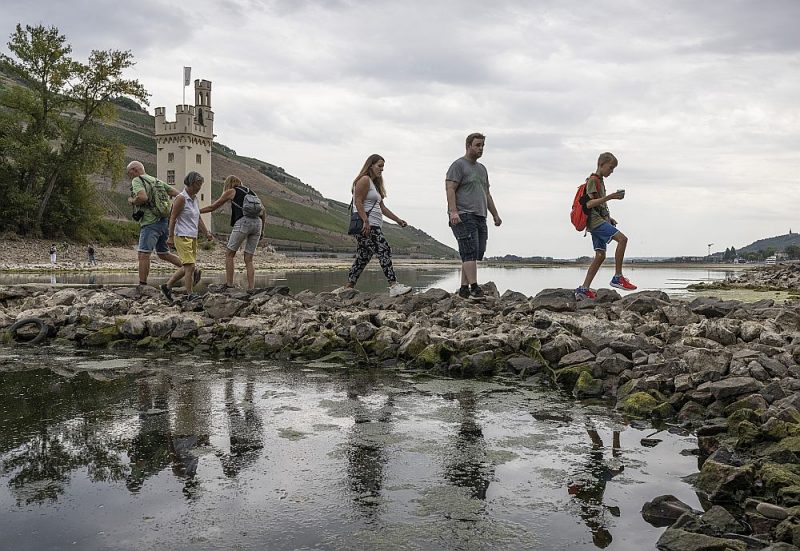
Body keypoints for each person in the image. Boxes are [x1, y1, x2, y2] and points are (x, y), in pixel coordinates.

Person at [345, 154, 412, 297]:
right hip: (368, 226)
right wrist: (366, 221)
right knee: (384, 250)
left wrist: (398, 220)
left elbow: (382, 207)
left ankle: (349, 286)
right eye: (379, 166)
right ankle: (394, 286)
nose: (382, 169)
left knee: (363, 256)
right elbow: (358, 201)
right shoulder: (364, 180)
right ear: (371, 165)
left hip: (373, 225)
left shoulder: (374, 184)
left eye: (383, 166)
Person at [445, 133, 502, 300]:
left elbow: (487, 193)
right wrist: (453, 211)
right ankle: (475, 288)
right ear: (468, 145)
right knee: (468, 251)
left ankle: (464, 288)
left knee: (476, 252)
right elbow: (450, 189)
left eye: (483, 145)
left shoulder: (482, 169)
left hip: (480, 215)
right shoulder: (458, 165)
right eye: (477, 145)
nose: (481, 149)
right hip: (463, 214)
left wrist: (495, 214)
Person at [575, 152, 637, 300]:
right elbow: (589, 203)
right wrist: (611, 197)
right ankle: (618, 277)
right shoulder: (593, 180)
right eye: (610, 168)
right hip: (595, 222)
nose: (612, 171)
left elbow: (598, 205)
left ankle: (584, 288)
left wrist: (608, 218)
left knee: (600, 255)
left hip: (597, 221)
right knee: (622, 240)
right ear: (601, 165)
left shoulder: (600, 181)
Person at [127, 161, 194, 287]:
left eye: (129, 172)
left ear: (135, 170)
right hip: (164, 221)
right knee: (163, 253)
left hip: (150, 222)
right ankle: (190, 268)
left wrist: (132, 201)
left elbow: (142, 197)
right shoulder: (156, 181)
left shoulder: (137, 180)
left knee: (143, 254)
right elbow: (178, 194)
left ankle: (142, 285)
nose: (128, 175)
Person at [199, 175, 265, 291]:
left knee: (229, 254)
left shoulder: (231, 191)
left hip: (243, 222)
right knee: (249, 259)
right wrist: (262, 229)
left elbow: (213, 207)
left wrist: (197, 211)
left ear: (228, 184)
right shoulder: (252, 193)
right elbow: (263, 211)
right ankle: (251, 288)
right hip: (257, 223)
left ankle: (229, 284)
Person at [161, 172, 213, 302]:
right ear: (190, 183)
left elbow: (198, 218)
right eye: (197, 184)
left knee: (189, 266)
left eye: (200, 184)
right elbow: (172, 218)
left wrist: (206, 232)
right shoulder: (181, 198)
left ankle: (167, 286)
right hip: (182, 235)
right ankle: (190, 294)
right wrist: (171, 236)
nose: (199, 187)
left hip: (192, 236)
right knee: (189, 266)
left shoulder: (195, 199)